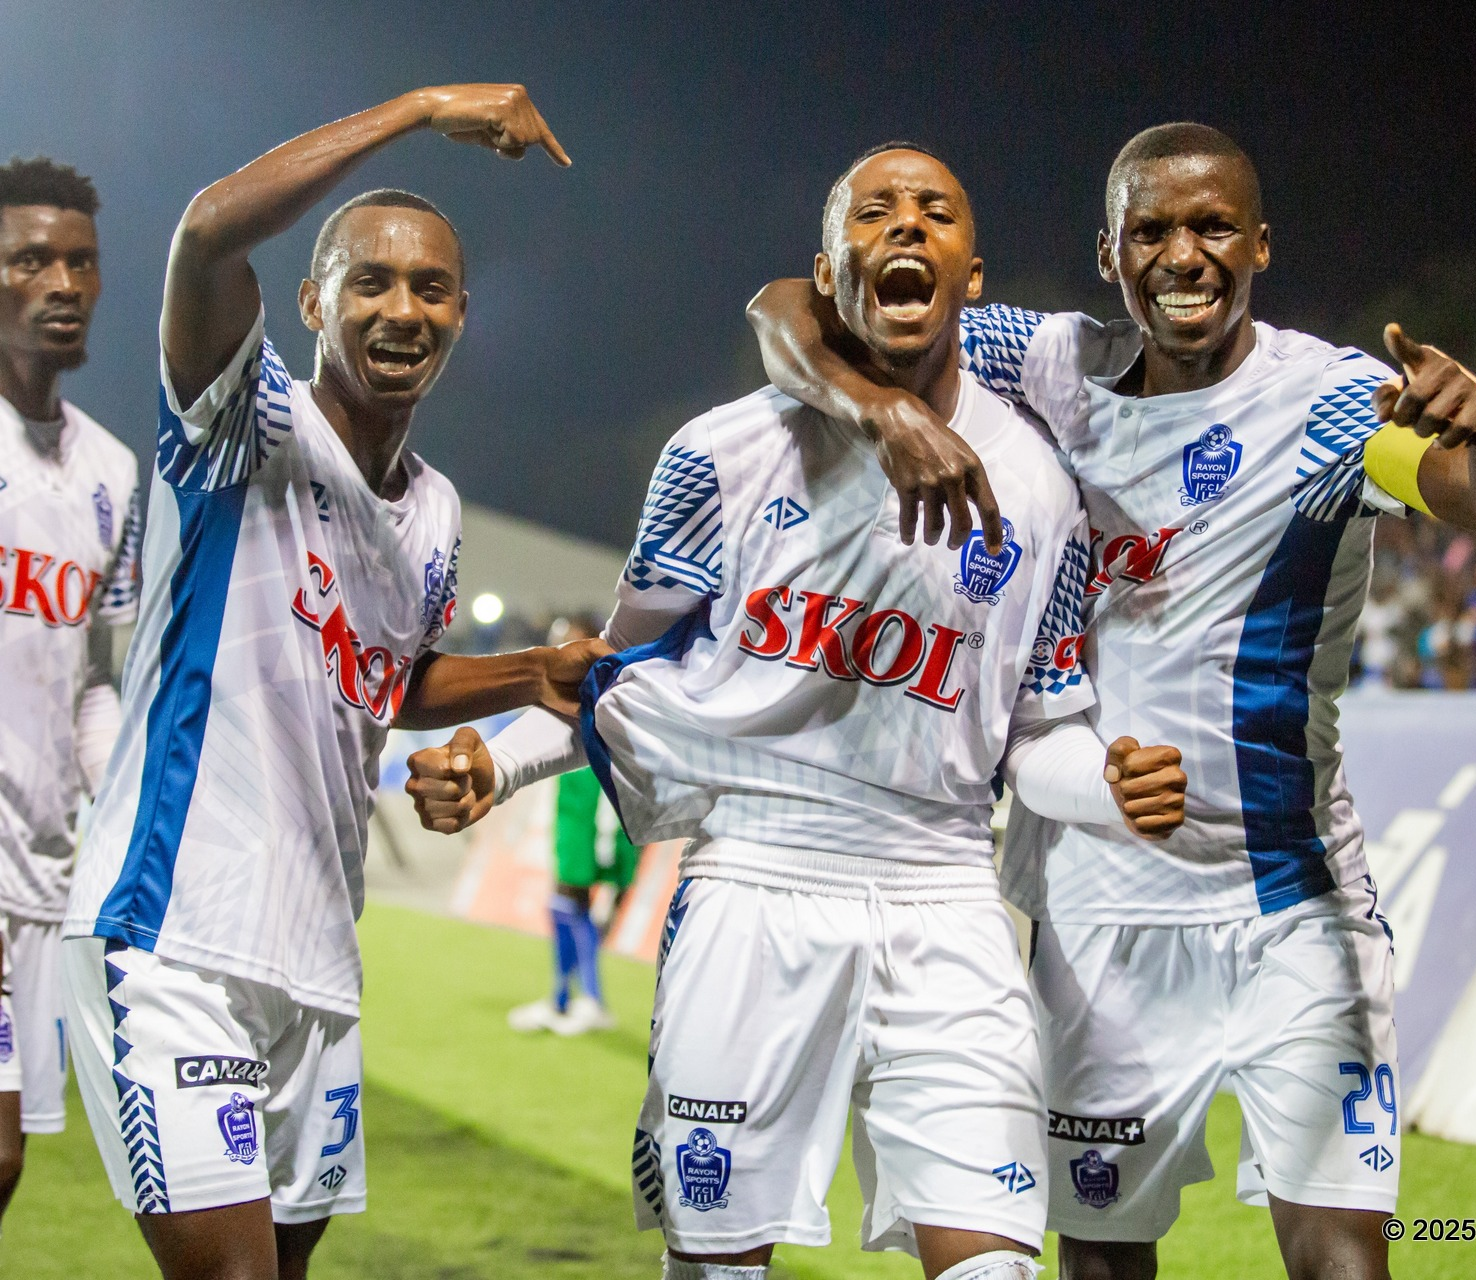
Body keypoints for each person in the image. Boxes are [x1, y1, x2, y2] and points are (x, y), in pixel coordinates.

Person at [745, 122, 1476, 1280]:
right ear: (1108, 253)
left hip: (1292, 903)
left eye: (1213, 226)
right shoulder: (1045, 363)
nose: (1184, 255)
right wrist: (886, 411)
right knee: (1101, 1256)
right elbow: (792, 306)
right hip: (1097, 913)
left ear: (1260, 245)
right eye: (1151, 231)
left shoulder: (1330, 402)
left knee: (1341, 1256)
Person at [408, 143, 1188, 1280]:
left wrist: (1105, 782)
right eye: (874, 212)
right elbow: (625, 669)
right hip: (753, 885)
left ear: (973, 277)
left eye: (936, 212)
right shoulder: (719, 454)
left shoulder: (1043, 487)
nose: (907, 226)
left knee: (998, 1264)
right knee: (720, 1265)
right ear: (826, 276)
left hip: (945, 892)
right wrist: (502, 760)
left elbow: (1038, 733)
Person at [58, 85, 597, 1280]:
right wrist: (422, 110)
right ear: (312, 303)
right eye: (370, 281)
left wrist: (533, 674)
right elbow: (208, 231)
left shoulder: (436, 507)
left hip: (317, 955)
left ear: (461, 315)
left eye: (431, 288)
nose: (402, 308)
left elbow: (384, 679)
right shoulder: (243, 422)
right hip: (171, 933)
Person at [0, 156, 141, 1230]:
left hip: (39, 869)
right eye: (30, 259)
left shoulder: (111, 471)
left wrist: (126, 803)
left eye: (80, 262)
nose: (62, 282)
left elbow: (95, 677)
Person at [507, 616, 640, 1036]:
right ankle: (563, 1000)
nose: (563, 651)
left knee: (585, 904)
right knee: (564, 902)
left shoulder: (612, 691)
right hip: (574, 816)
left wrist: (609, 827)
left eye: (571, 643)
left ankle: (590, 1001)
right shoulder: (564, 698)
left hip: (602, 818)